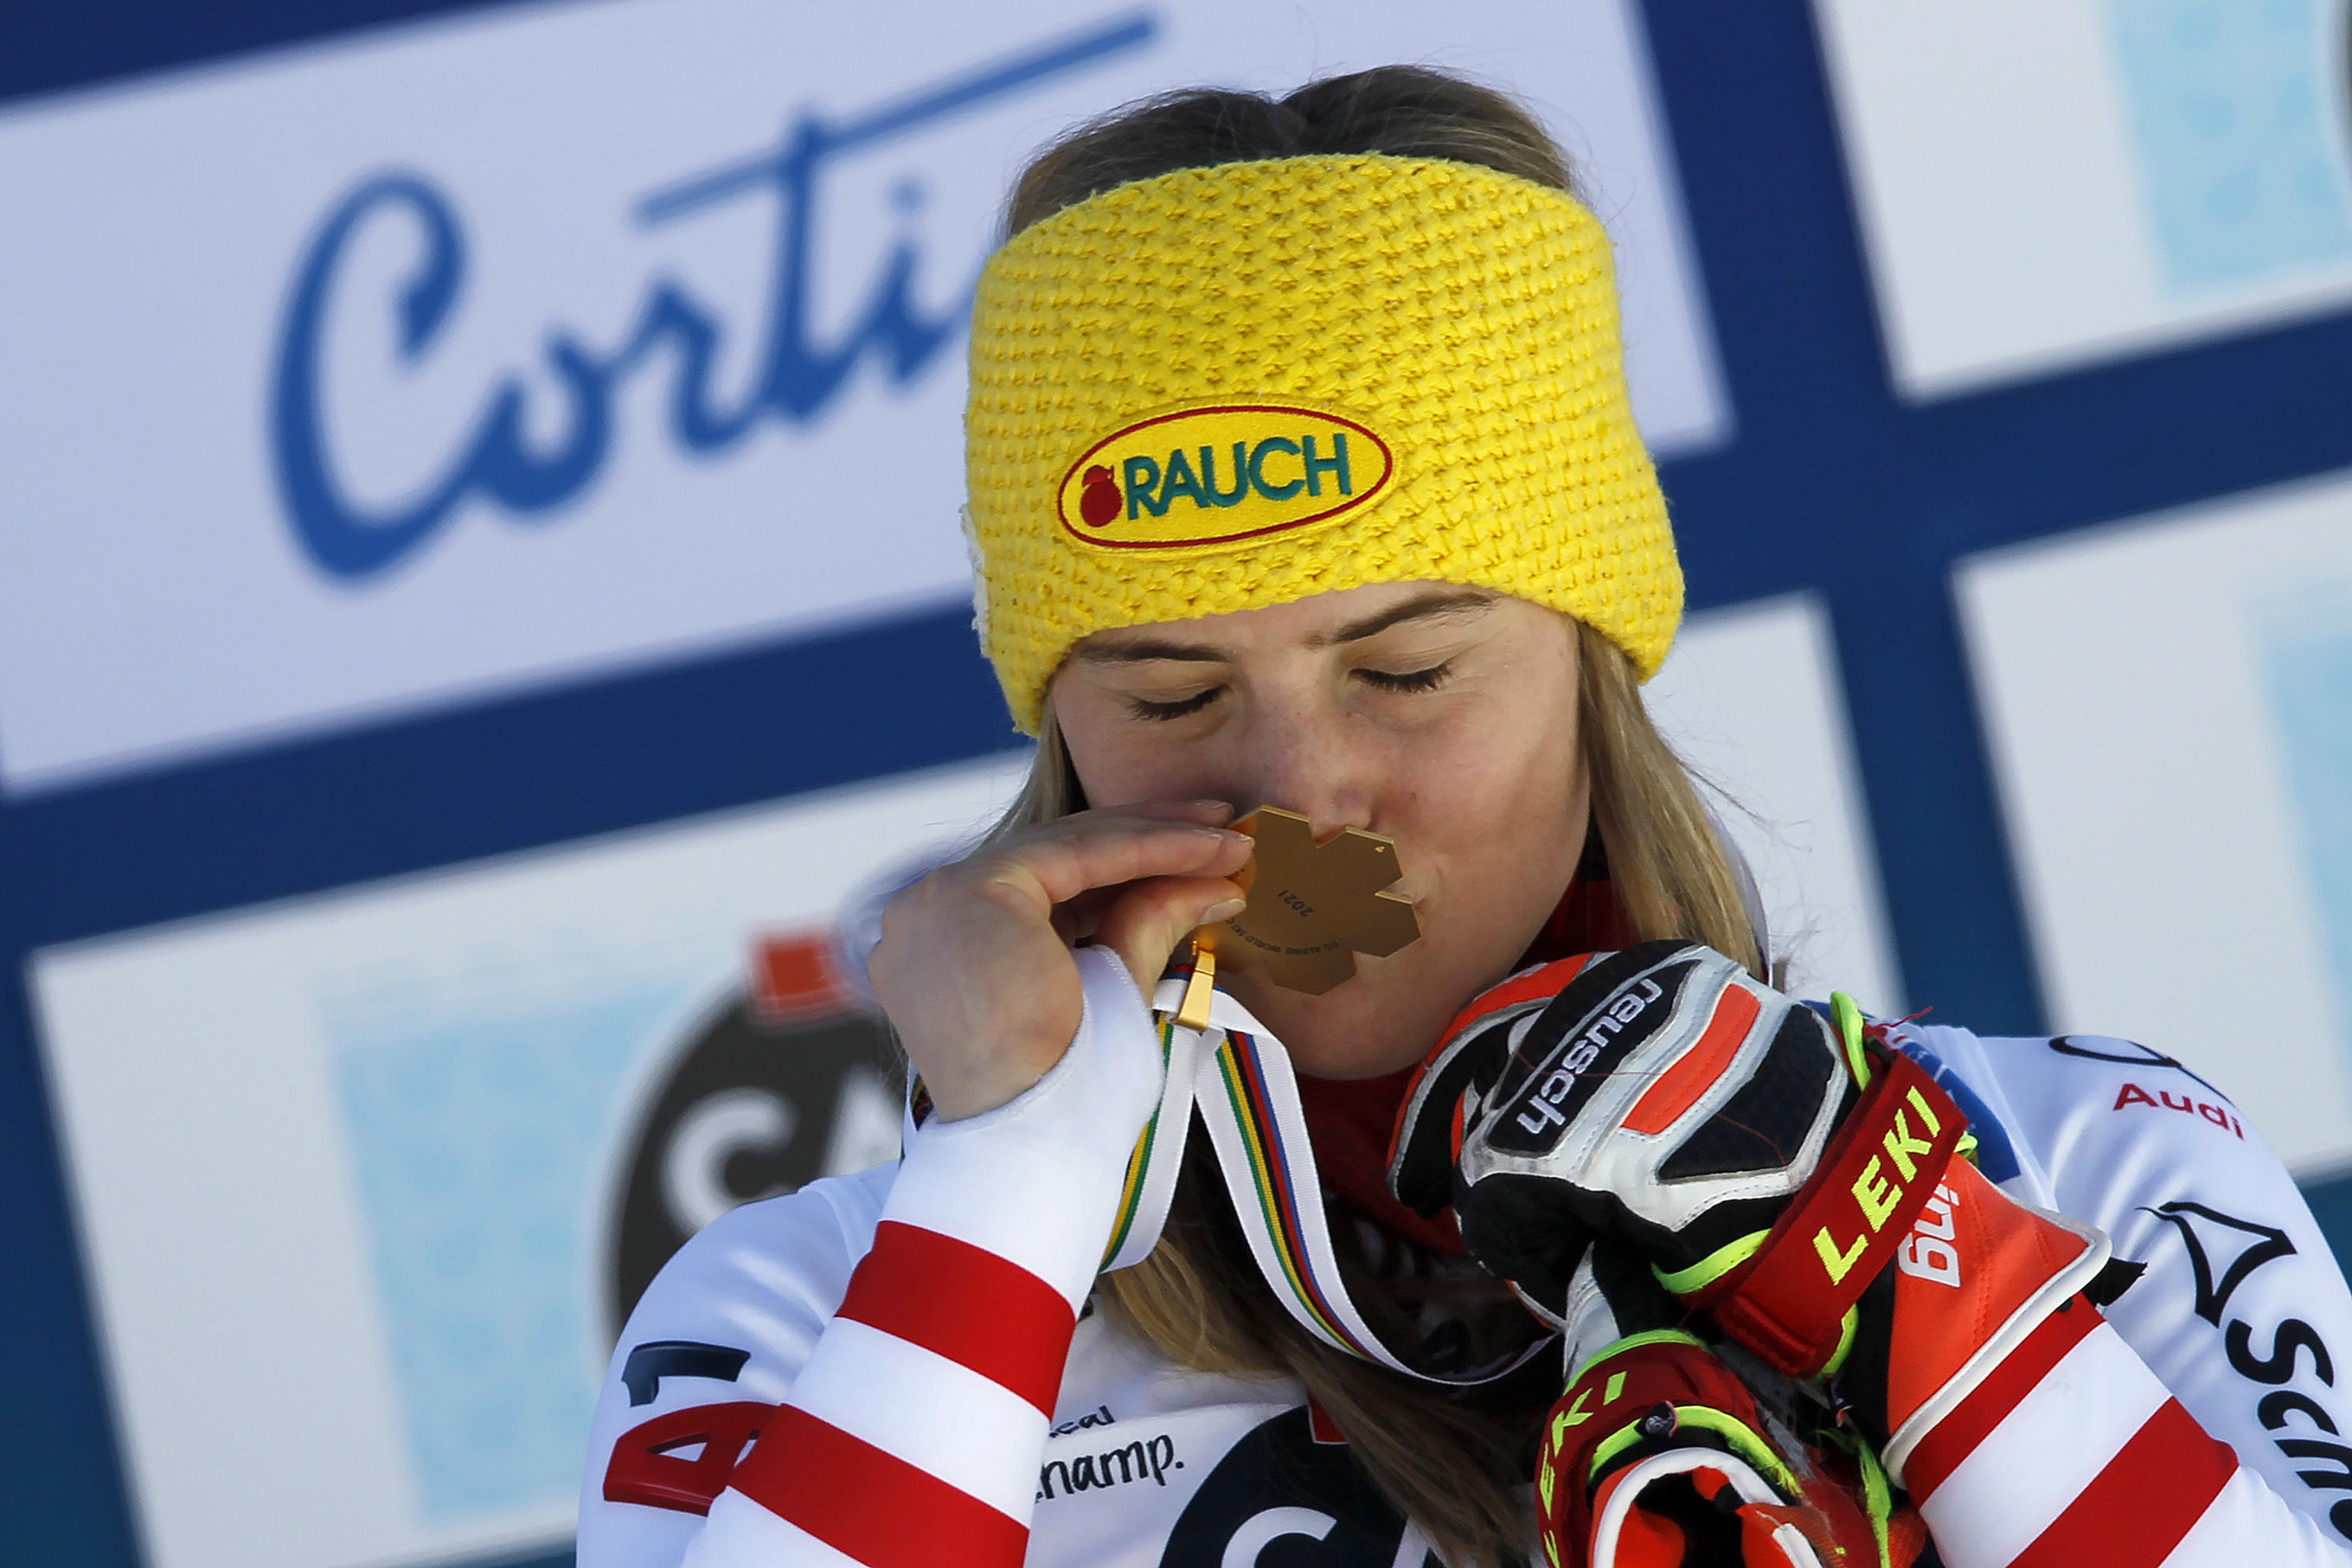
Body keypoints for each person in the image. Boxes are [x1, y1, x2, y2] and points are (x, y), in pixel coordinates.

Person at [577, 67, 2352, 1567]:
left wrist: (1899, 1268)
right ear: (1056, 724)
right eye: (1172, 695)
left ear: (1591, 656)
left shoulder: (2074, 1161)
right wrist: (1010, 1188)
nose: (1301, 792)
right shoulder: (811, 1316)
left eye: (1408, 668)